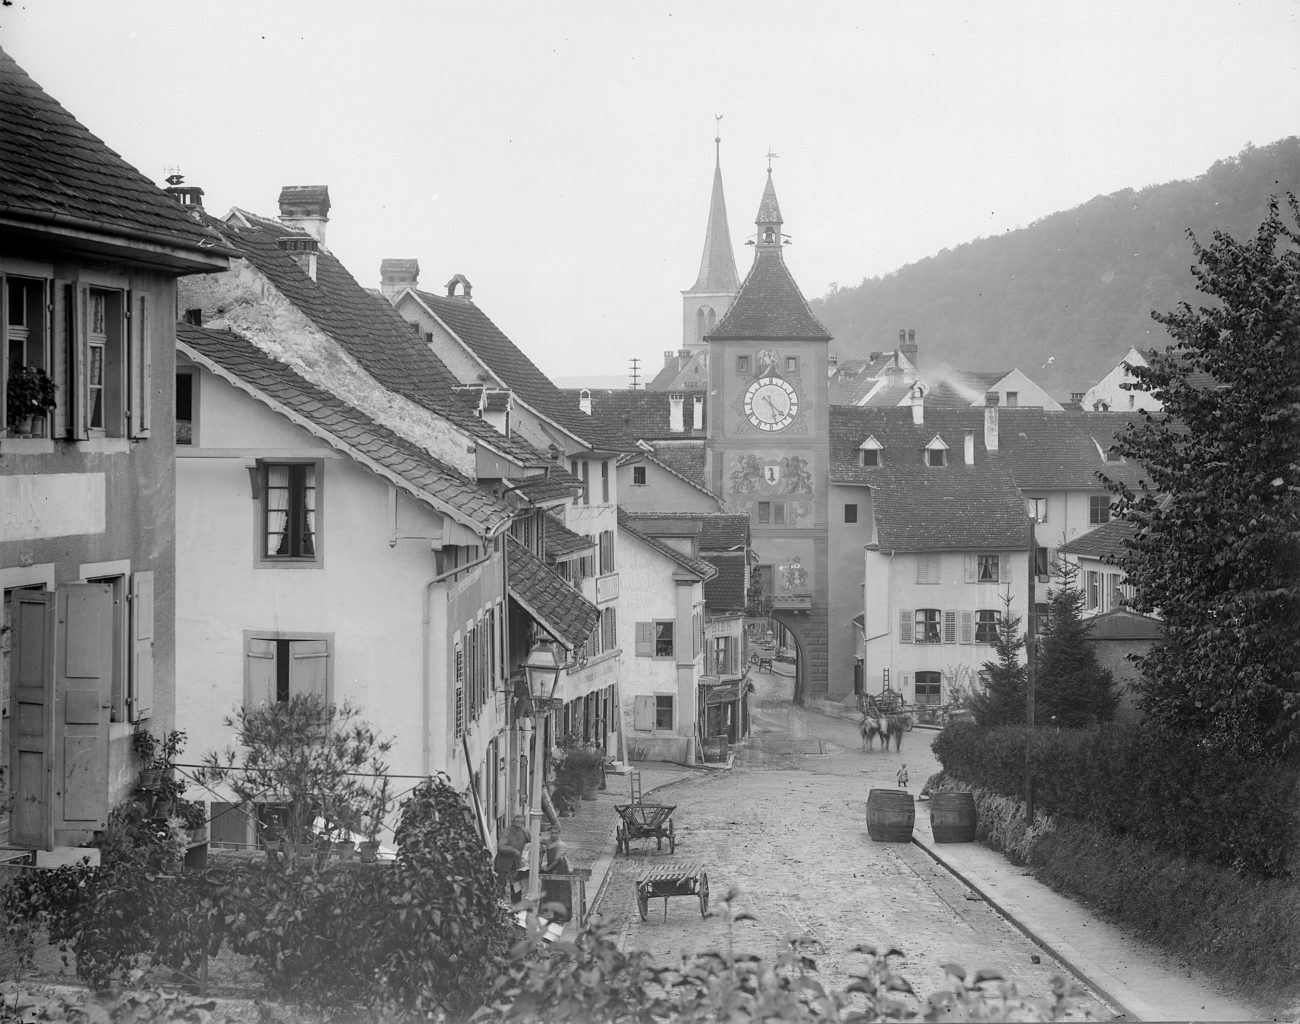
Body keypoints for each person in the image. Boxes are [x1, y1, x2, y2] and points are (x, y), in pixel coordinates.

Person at [494, 815, 530, 900]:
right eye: (515, 826)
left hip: (516, 863)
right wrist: (513, 850)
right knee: (500, 884)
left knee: (516, 884)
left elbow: (532, 840)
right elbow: (501, 846)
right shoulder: (507, 831)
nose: (517, 829)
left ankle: (515, 903)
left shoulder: (524, 832)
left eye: (519, 826)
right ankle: (499, 902)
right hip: (503, 863)